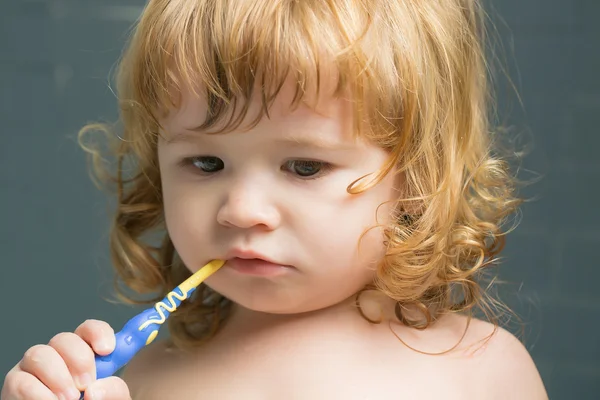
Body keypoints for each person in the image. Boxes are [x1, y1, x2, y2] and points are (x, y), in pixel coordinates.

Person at [1, 0, 549, 399]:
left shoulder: (480, 372)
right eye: (206, 163)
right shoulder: (140, 383)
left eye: (305, 166)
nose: (241, 209)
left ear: (416, 178)